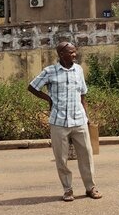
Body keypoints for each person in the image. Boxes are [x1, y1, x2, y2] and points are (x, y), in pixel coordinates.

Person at [27, 41, 102, 202]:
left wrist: (87, 117)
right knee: (61, 159)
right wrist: (48, 99)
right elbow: (32, 87)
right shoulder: (50, 71)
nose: (74, 55)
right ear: (61, 54)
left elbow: (83, 95)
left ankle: (90, 187)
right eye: (71, 52)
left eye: (75, 51)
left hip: (79, 120)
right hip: (58, 121)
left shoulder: (79, 70)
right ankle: (68, 189)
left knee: (87, 155)